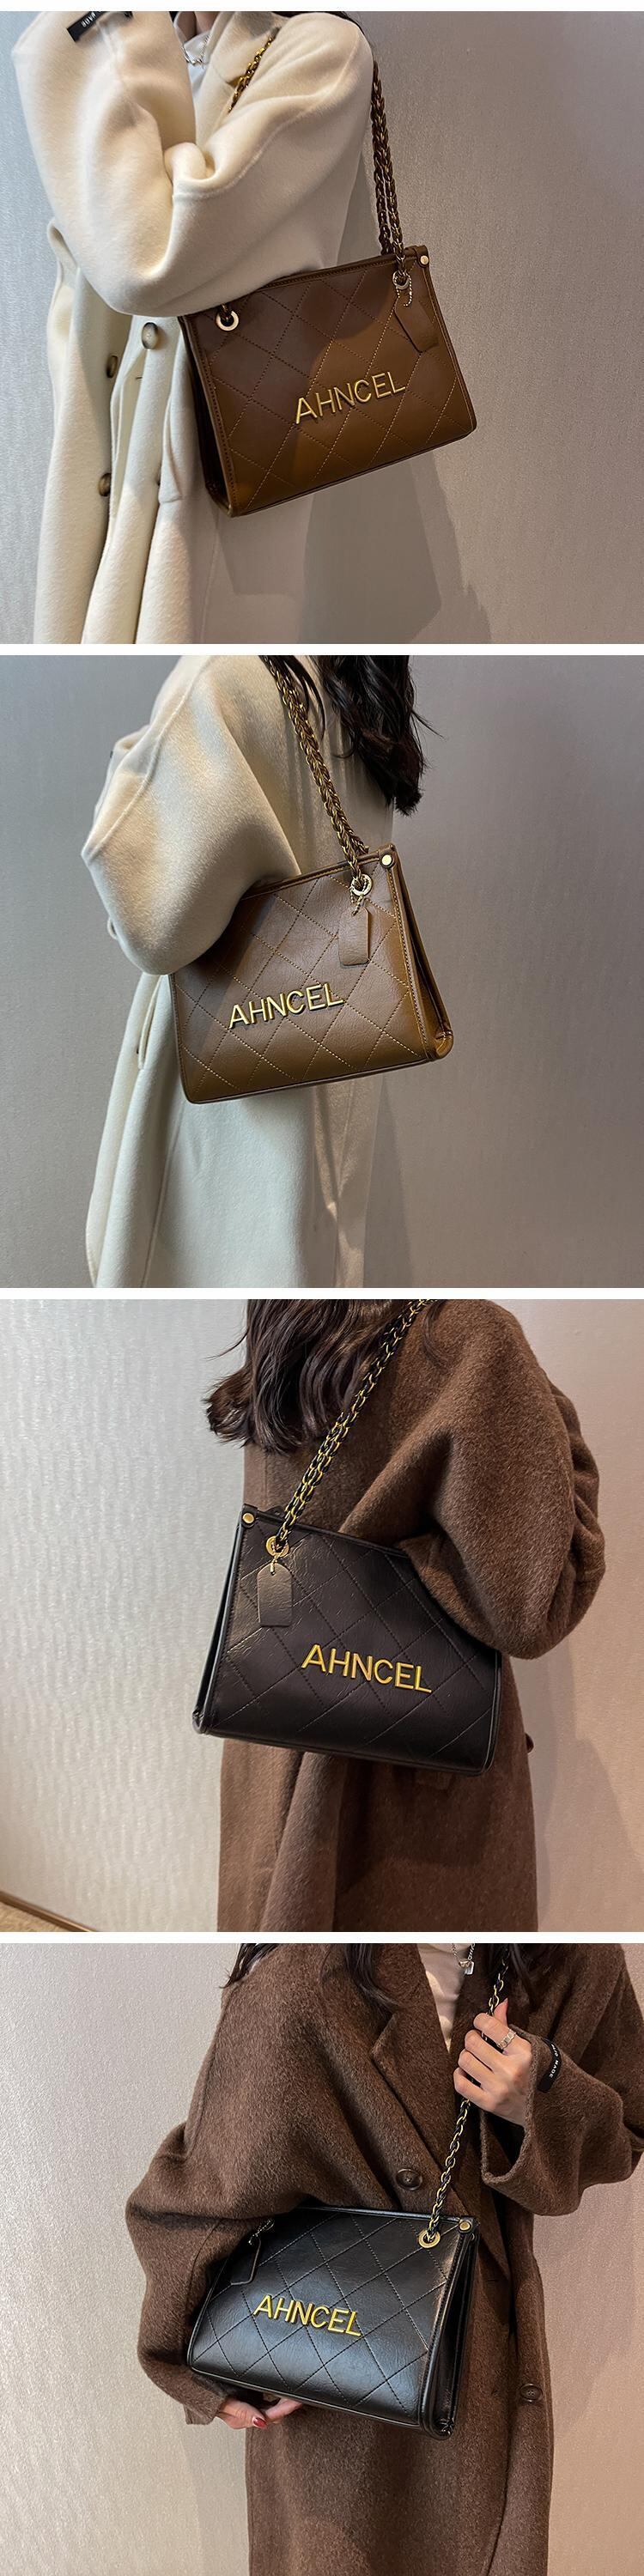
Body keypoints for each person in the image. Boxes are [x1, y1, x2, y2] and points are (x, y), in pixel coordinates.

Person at [125, 1939, 644, 2576]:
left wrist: (543, 2087)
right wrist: (197, 2368)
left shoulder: (569, 1959)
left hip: (483, 2373)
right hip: (332, 2400)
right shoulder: (306, 1975)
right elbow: (199, 2200)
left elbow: (626, 2130)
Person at [208, 1297, 605, 1929]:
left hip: (272, 1742)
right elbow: (535, 1603)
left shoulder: (289, 1322)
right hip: (401, 1805)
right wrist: (554, 1427)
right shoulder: (463, 1338)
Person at [13, 11, 373, 642]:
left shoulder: (321, 52)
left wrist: (101, 25)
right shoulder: (165, 56)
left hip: (205, 510)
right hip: (103, 483)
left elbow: (148, 260)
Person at [80, 653, 425, 1287]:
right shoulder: (363, 710)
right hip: (333, 1092)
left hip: (225, 1114)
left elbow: (149, 920)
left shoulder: (229, 679)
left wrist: (134, 758)